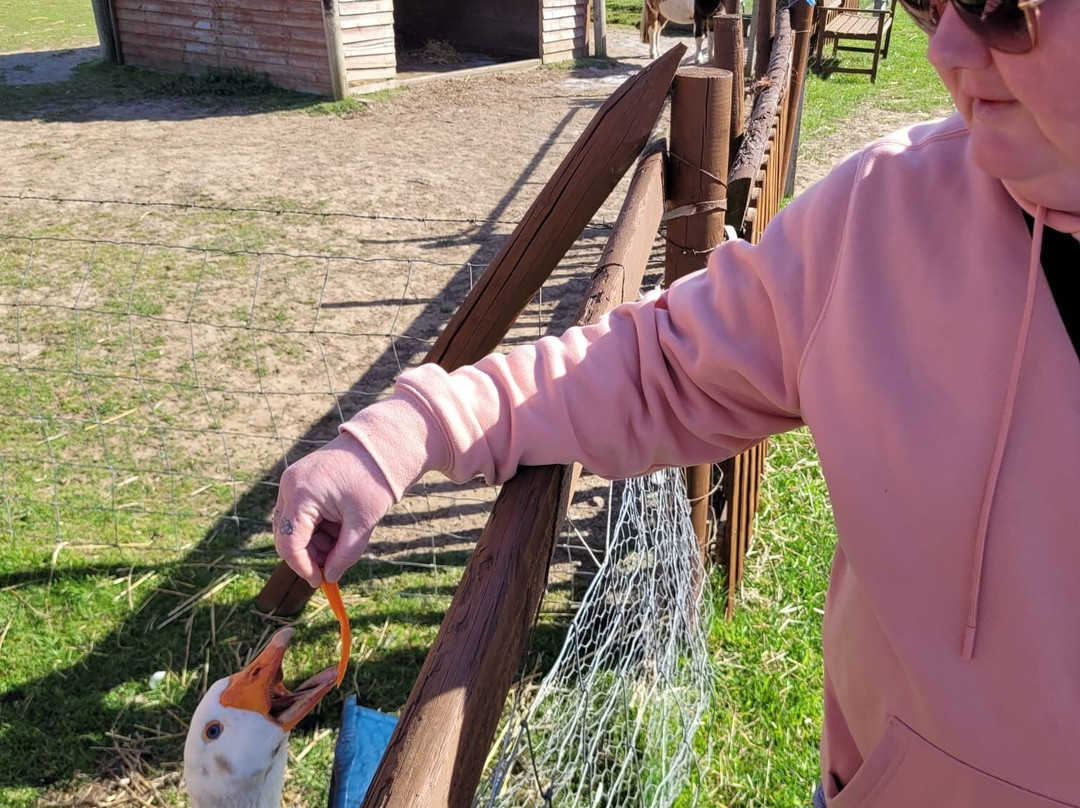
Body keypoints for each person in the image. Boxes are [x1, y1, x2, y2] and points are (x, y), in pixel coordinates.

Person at [273, 1, 1080, 804]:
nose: (944, 45)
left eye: (1001, 9)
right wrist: (414, 427)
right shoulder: (882, 215)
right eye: (931, 3)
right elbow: (664, 363)